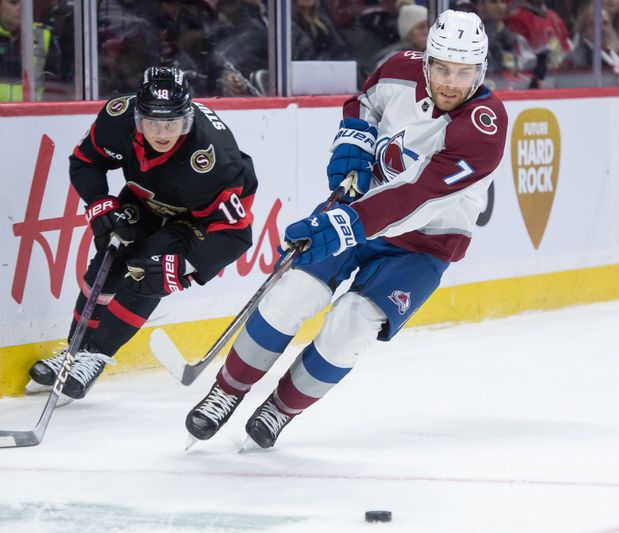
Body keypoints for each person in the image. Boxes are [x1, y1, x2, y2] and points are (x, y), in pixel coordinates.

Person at [184, 10, 507, 450]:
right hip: (355, 212)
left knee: (351, 328)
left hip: (423, 243)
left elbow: (417, 196)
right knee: (292, 293)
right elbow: (366, 102)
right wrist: (354, 137)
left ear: (481, 70)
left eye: (464, 72)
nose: (452, 82)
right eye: (443, 68)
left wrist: (345, 223)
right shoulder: (399, 68)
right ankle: (226, 391)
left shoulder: (483, 129)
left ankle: (280, 408)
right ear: (427, 61)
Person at [26, 66, 258, 403]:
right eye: (152, 122)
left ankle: (94, 356)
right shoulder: (116, 118)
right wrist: (100, 206)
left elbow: (236, 235)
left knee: (150, 270)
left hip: (200, 222)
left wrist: (186, 266)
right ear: (137, 117)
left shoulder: (213, 159)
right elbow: (85, 162)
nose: (162, 133)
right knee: (110, 257)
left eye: (172, 123)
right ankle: (73, 353)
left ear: (188, 119)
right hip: (146, 199)